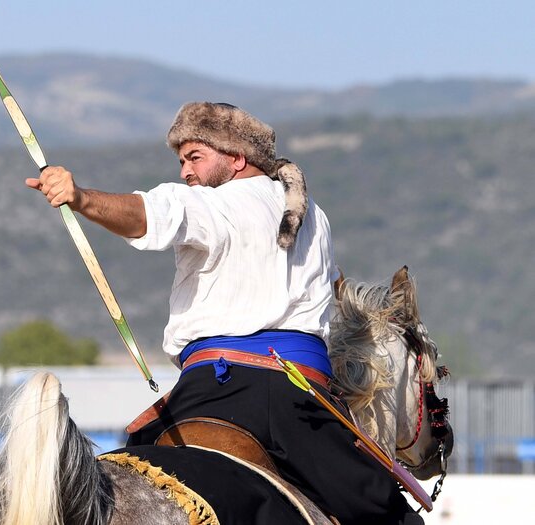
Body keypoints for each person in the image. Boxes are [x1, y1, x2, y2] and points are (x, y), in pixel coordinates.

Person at [25, 102, 421, 524]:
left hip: (211, 394)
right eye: (181, 161)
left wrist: (82, 198)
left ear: (236, 158)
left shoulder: (218, 204)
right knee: (387, 514)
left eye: (194, 157)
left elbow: (150, 214)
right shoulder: (315, 217)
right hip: (292, 398)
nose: (185, 173)